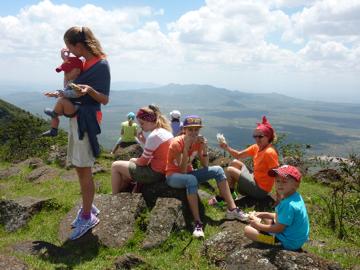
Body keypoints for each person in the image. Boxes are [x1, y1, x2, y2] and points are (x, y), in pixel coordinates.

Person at [60, 26, 111, 240]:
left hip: (87, 119)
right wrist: (67, 68)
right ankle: (88, 207)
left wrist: (89, 91)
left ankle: (88, 215)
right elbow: (68, 90)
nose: (69, 52)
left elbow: (104, 99)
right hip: (77, 116)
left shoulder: (100, 65)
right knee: (79, 167)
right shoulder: (83, 63)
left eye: (70, 47)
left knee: (84, 168)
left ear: (79, 45)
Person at [165, 115, 248, 238]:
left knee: (218, 170)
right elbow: (182, 170)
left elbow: (205, 165)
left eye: (196, 130)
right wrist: (186, 147)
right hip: (173, 176)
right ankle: (198, 223)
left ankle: (232, 209)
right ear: (184, 130)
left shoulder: (198, 142)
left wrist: (204, 149)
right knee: (191, 179)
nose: (193, 133)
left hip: (188, 174)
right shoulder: (176, 144)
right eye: (190, 130)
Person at [209, 116, 279, 205]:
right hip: (255, 179)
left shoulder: (269, 152)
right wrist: (226, 147)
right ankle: (230, 193)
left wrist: (279, 197)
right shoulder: (257, 147)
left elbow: (277, 175)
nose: (257, 139)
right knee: (234, 163)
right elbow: (238, 155)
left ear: (268, 137)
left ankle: (222, 198)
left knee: (230, 170)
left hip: (260, 190)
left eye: (260, 136)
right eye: (255, 136)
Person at [244, 165, 310, 251]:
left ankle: (272, 243)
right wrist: (265, 214)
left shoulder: (288, 205)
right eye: (277, 181)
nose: (279, 184)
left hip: (288, 242)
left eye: (284, 181)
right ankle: (269, 232)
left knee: (247, 230)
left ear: (296, 185)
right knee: (265, 217)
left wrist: (258, 226)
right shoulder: (295, 197)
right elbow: (284, 217)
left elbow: (279, 229)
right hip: (296, 238)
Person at [111, 105, 173, 193]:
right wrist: (144, 141)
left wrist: (133, 160)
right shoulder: (164, 131)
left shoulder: (154, 136)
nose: (141, 126)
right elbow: (155, 151)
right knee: (126, 170)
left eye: (142, 123)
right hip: (164, 170)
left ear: (150, 121)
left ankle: (114, 196)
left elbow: (143, 161)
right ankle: (123, 192)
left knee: (115, 165)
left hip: (155, 173)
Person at [42, 51, 83, 137]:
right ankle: (54, 130)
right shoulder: (70, 80)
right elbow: (65, 89)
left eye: (68, 71)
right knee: (56, 112)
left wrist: (61, 94)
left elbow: (76, 93)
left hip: (74, 108)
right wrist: (56, 93)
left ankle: (54, 113)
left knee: (62, 101)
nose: (66, 74)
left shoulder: (80, 82)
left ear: (78, 71)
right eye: (65, 71)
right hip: (70, 107)